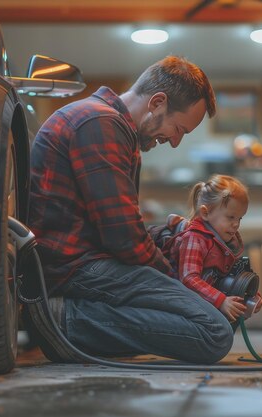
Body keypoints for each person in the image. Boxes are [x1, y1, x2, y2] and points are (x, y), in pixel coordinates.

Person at [27, 56, 233, 364]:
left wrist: (168, 236)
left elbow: (112, 227)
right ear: (157, 102)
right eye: (179, 129)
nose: (175, 142)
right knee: (214, 331)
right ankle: (65, 321)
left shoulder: (108, 125)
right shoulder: (99, 123)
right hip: (73, 270)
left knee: (205, 312)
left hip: (81, 265)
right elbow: (122, 236)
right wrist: (175, 278)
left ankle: (78, 326)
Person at [159, 174, 262, 323]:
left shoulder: (226, 240)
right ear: (206, 213)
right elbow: (189, 278)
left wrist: (252, 296)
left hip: (203, 303)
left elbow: (234, 275)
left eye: (240, 218)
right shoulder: (194, 238)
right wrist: (221, 301)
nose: (236, 224)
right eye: (230, 217)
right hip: (180, 306)